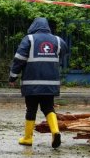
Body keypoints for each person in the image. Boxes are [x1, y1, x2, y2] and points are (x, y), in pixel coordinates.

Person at [8, 17, 67, 148]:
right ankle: (55, 131)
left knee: (31, 109)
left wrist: (13, 77)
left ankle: (28, 138)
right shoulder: (58, 40)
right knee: (48, 108)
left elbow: (19, 59)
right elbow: (64, 52)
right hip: (50, 84)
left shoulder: (29, 39)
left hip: (31, 83)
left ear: (34, 26)